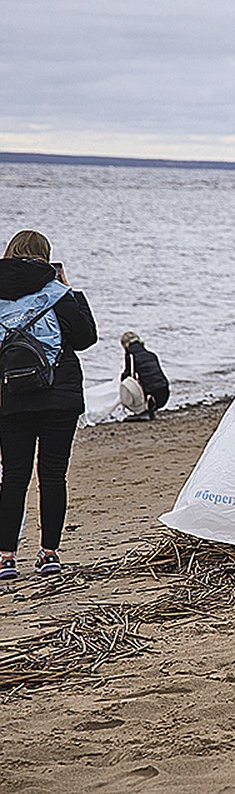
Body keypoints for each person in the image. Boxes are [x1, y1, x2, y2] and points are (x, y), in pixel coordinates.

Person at [0, 231, 97, 578]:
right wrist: (71, 290)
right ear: (46, 257)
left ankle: (6, 557)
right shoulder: (57, 292)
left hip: (11, 398)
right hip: (59, 396)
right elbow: (86, 338)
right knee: (53, 476)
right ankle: (49, 554)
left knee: (13, 477)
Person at [119, 331, 170, 419]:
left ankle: (144, 408)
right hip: (164, 392)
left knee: (128, 384)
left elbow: (127, 376)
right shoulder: (151, 355)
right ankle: (150, 407)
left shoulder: (131, 356)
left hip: (151, 395)